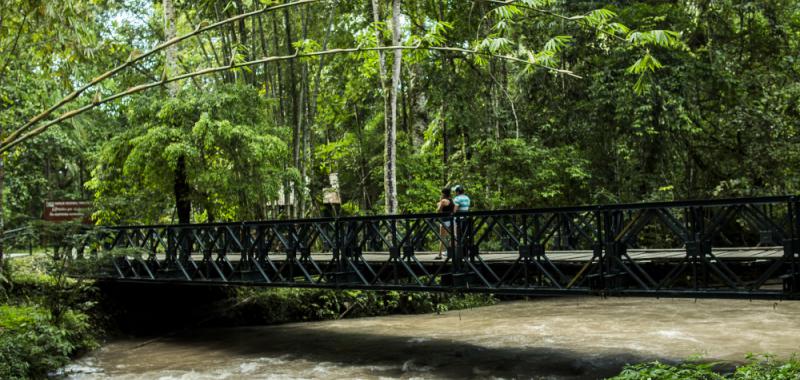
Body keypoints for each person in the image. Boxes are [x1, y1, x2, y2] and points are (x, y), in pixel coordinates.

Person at [435, 187, 454, 259]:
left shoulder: (443, 201)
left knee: (442, 238)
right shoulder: (451, 200)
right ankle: (451, 252)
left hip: (444, 221)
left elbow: (438, 210)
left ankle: (439, 254)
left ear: (443, 193)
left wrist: (439, 204)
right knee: (453, 237)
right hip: (451, 220)